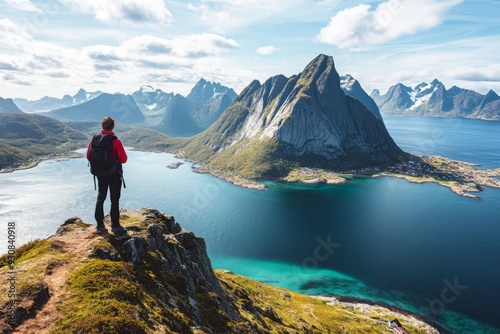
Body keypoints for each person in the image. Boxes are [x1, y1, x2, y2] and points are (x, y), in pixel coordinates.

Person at [86, 116, 128, 238]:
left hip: (100, 174)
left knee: (101, 197)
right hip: (114, 174)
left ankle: (100, 225)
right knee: (114, 200)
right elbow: (123, 159)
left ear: (102, 126)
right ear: (112, 127)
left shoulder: (94, 140)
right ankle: (115, 226)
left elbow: (88, 156)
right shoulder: (115, 140)